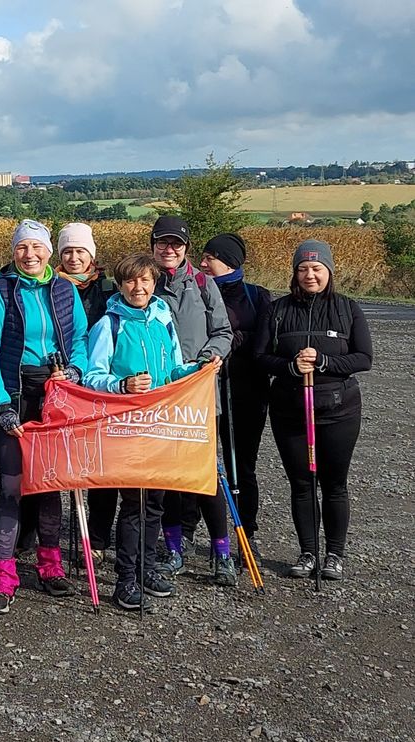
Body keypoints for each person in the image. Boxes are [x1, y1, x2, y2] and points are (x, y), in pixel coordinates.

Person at [83, 253, 213, 610]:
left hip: (159, 422)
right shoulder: (109, 324)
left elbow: (171, 368)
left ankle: (145, 567)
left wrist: (197, 370)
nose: (138, 288)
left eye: (145, 281)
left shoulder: (163, 317)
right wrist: (122, 384)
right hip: (124, 426)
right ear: (121, 285)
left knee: (154, 502)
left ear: (154, 283)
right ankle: (125, 579)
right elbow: (92, 376)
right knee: (133, 504)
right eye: (130, 281)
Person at [0, 220, 89, 615]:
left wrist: (73, 372)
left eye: (37, 248)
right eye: (22, 248)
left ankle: (50, 566)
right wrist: (0, 403)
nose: (30, 255)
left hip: (54, 393)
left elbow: (78, 339)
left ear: (48, 253)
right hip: (14, 392)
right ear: (14, 253)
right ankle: (3, 577)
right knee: (11, 487)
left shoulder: (64, 290)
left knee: (48, 485)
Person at [253, 240, 372, 581]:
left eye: (317, 269)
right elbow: (260, 357)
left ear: (329, 272)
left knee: (334, 484)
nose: (309, 275)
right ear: (294, 273)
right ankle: (308, 552)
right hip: (290, 409)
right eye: (302, 269)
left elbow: (364, 357)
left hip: (338, 409)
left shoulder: (348, 309)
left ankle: (334, 554)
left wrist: (324, 361)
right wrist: (290, 365)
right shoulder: (277, 310)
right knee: (301, 484)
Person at [149, 216, 237, 586]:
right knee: (166, 477)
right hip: (158, 398)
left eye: (176, 244)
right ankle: (173, 550)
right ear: (152, 244)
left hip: (198, 396)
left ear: (186, 247)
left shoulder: (203, 284)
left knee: (205, 477)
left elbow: (223, 331)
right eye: (162, 243)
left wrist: (210, 357)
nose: (169, 250)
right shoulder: (144, 281)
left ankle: (221, 552)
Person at [199, 233, 271, 555]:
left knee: (242, 464)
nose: (202, 263)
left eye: (209, 257)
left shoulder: (257, 296)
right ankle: (191, 533)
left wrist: (231, 339)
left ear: (228, 262)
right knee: (198, 464)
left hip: (247, 393)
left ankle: (247, 533)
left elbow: (266, 341)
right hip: (204, 392)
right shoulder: (197, 292)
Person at [55, 222, 119, 566]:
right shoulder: (49, 286)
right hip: (58, 382)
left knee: (98, 465)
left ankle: (96, 536)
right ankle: (34, 537)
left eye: (80, 252)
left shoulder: (107, 291)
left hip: (97, 385)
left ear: (91, 255)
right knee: (50, 461)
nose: (75, 258)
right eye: (68, 252)